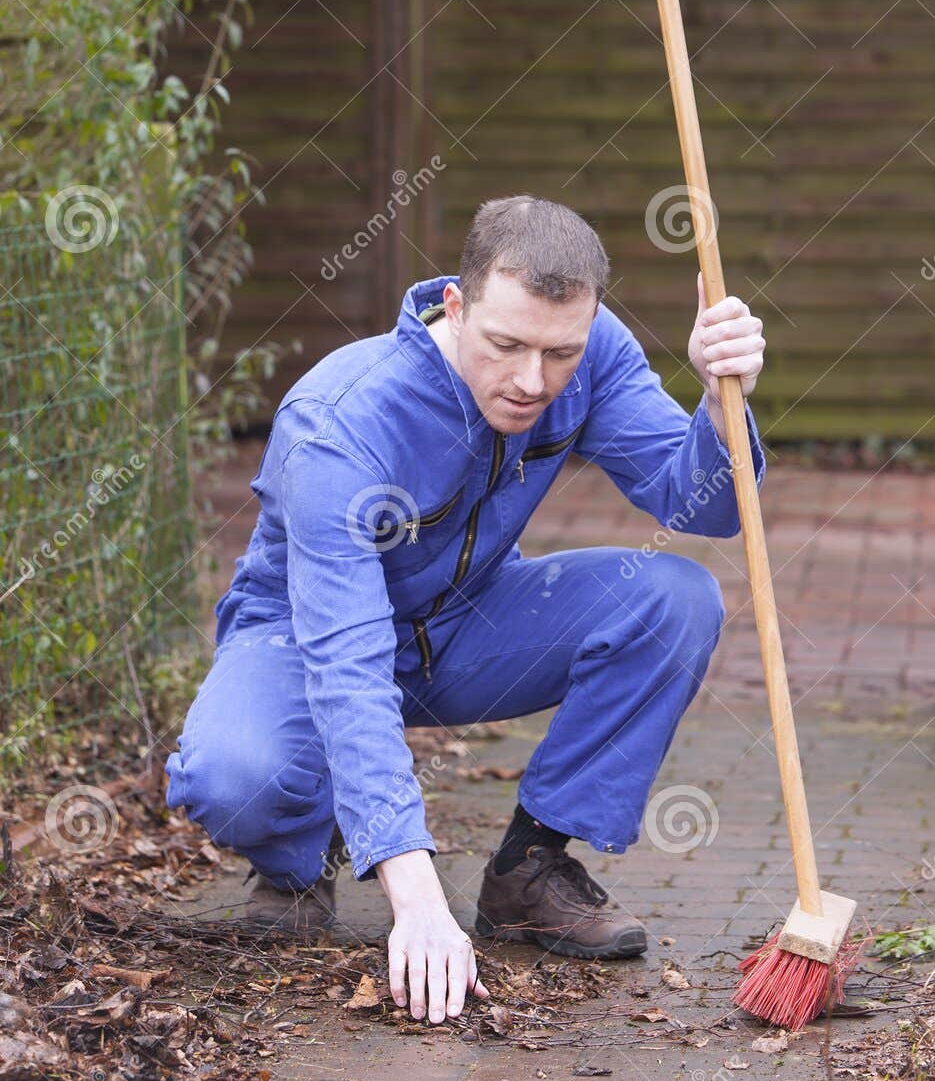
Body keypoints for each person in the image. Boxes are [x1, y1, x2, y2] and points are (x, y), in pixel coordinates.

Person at [165, 195, 767, 1026]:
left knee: (676, 597)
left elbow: (703, 505)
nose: (531, 381)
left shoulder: (593, 357)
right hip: (305, 640)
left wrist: (719, 402)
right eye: (506, 345)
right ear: (456, 304)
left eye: (560, 353)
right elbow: (347, 656)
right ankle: (296, 858)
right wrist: (414, 900)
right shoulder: (340, 424)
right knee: (235, 777)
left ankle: (530, 870)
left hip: (468, 620)